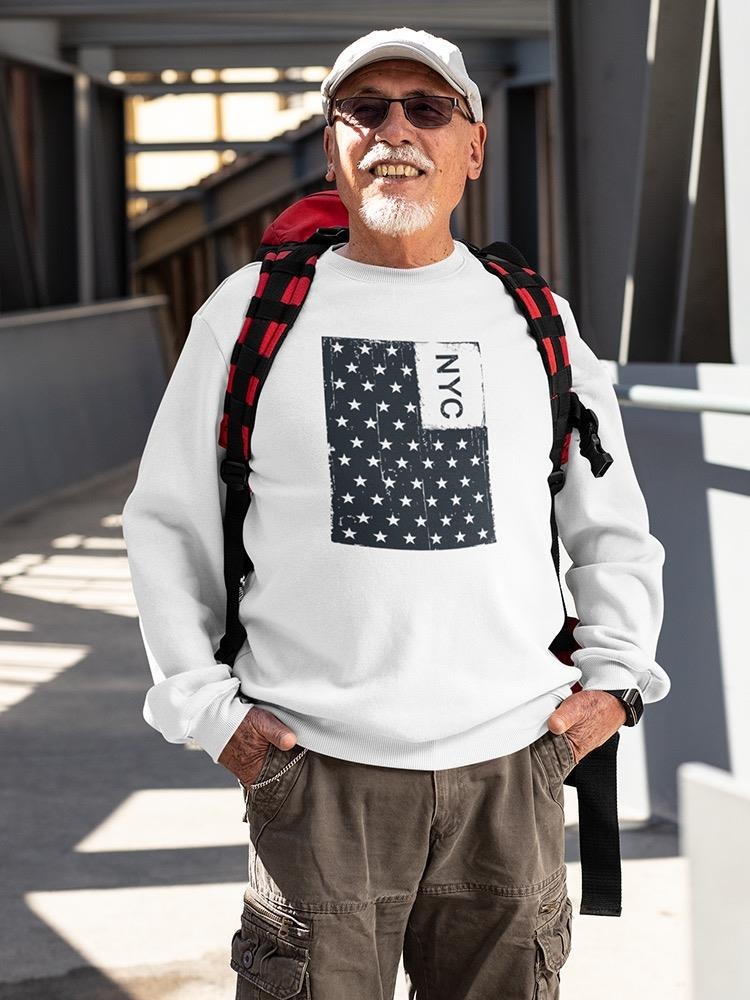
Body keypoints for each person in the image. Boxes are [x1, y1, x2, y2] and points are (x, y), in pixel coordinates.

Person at [121, 26, 671, 1000]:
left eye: (427, 108)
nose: (394, 131)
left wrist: (617, 683)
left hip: (513, 765)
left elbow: (609, 520)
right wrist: (207, 712)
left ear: (474, 146)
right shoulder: (250, 314)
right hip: (317, 775)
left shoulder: (533, 318)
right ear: (331, 146)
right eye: (364, 110)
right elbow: (168, 522)